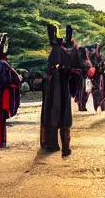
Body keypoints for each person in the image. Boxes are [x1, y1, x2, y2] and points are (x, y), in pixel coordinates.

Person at [40, 25, 73, 157]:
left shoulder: (56, 51)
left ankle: (54, 145)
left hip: (55, 88)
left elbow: (54, 69)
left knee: (53, 115)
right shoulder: (63, 52)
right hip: (61, 87)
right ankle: (64, 147)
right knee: (62, 116)